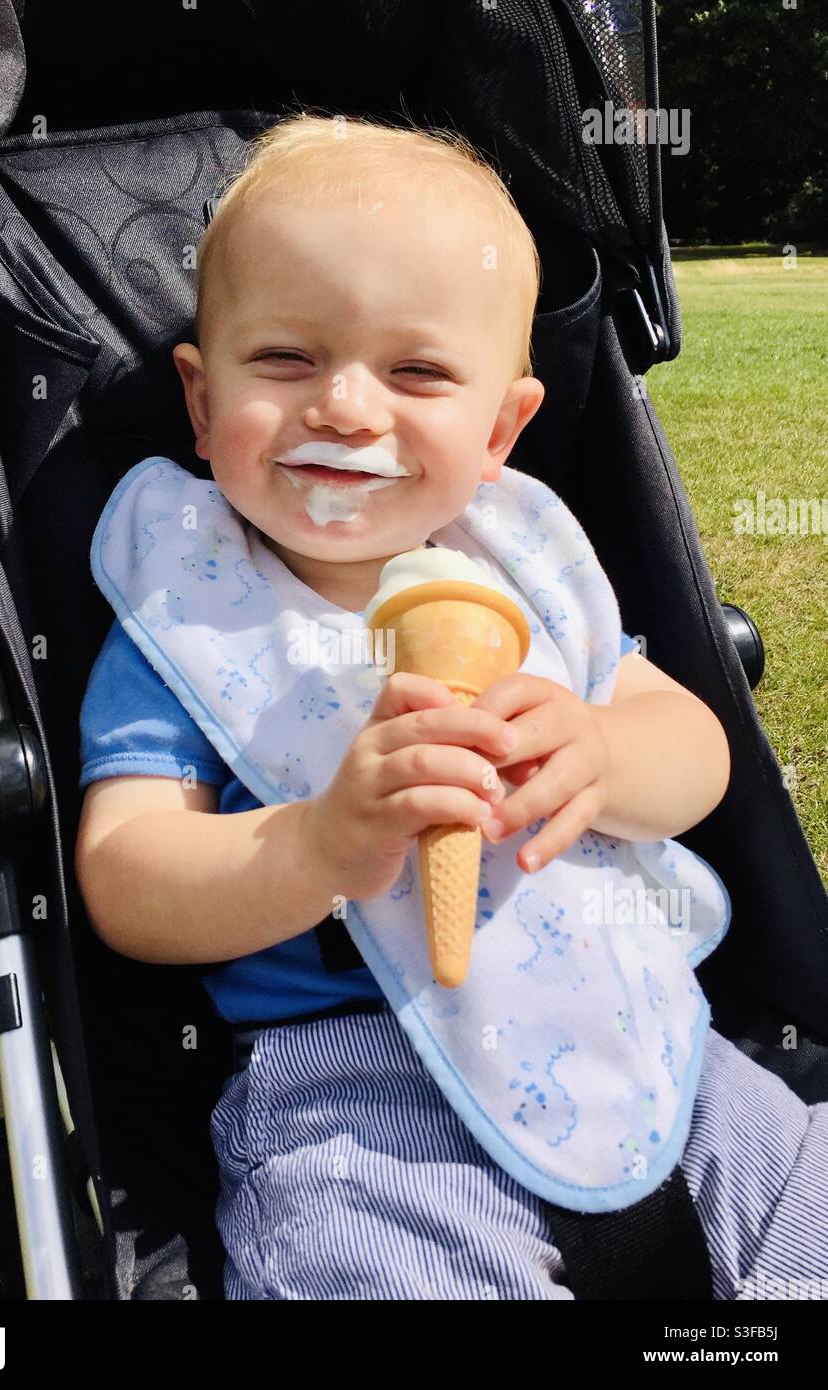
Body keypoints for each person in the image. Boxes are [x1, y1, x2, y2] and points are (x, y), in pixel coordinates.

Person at [75, 112, 828, 1300]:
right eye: (284, 360)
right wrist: (317, 843)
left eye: (416, 371)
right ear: (201, 398)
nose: (346, 409)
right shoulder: (188, 624)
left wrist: (600, 750)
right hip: (352, 1096)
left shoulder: (521, 570)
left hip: (639, 1041)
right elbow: (127, 871)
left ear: (500, 429)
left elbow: (695, 745)